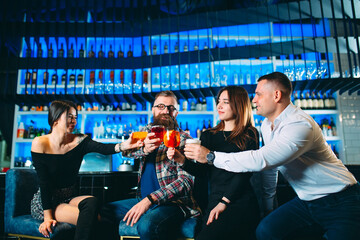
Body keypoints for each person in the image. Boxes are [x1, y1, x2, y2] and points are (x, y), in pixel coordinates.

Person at [185, 72, 360, 240]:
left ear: (276, 95)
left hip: (340, 200)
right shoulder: (267, 126)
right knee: (267, 230)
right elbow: (269, 169)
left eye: (259, 94)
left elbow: (260, 160)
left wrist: (211, 157)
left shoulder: (299, 125)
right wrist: (268, 208)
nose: (253, 100)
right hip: (306, 201)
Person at [30, 100, 142, 240]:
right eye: (70, 116)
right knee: (96, 220)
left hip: (69, 197)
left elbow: (104, 148)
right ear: (56, 118)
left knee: (92, 201)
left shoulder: (79, 140)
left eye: (76, 117)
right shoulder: (40, 143)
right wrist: (48, 217)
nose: (74, 121)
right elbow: (44, 183)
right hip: (46, 202)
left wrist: (125, 145)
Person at [102, 91, 201, 240]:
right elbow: (126, 152)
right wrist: (144, 149)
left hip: (174, 204)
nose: (165, 111)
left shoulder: (185, 140)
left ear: (176, 113)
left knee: (147, 225)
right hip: (141, 199)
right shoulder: (146, 132)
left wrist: (150, 200)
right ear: (153, 109)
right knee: (103, 211)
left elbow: (185, 182)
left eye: (170, 108)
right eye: (161, 106)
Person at [167, 86, 260, 240]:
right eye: (218, 101)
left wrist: (224, 202)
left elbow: (245, 173)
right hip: (214, 200)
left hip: (239, 201)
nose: (219, 106)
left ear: (239, 104)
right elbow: (202, 172)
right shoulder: (208, 135)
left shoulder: (250, 134)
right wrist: (182, 160)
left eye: (226, 102)